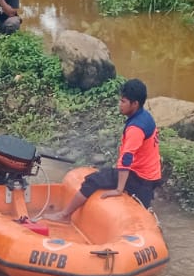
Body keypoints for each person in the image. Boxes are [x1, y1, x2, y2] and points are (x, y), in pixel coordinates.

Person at [53, 78, 161, 222]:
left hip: (139, 176)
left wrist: (119, 189)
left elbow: (127, 158)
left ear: (135, 104)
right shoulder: (145, 116)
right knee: (142, 209)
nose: (119, 105)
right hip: (151, 176)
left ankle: (64, 215)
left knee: (92, 181)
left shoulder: (136, 128)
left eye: (123, 101)